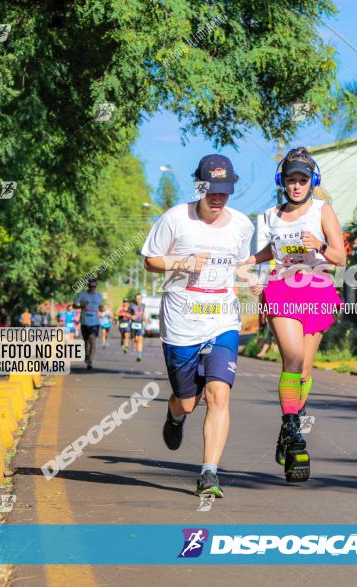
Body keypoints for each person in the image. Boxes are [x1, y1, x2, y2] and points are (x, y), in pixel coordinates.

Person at [141, 153, 253, 497]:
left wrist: (250, 277)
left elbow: (237, 265)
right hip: (181, 322)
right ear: (200, 187)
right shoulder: (175, 219)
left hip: (221, 319)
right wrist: (183, 262)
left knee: (219, 394)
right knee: (188, 401)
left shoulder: (242, 225)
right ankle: (175, 416)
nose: (217, 197)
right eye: (211, 190)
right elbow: (150, 260)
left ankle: (208, 473)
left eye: (225, 190)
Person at [243, 147, 345, 483]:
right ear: (282, 181)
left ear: (312, 181)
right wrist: (247, 263)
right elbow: (268, 252)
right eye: (291, 179)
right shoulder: (270, 215)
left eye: (302, 179)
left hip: (317, 288)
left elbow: (340, 257)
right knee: (293, 358)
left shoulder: (321, 210)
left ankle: (287, 433)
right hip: (282, 288)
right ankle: (293, 428)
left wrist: (318, 244)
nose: (297, 185)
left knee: (303, 370)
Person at [74, 279, 104, 369]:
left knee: (92, 339)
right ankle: (86, 355)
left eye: (94, 286)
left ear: (96, 286)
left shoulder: (99, 295)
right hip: (84, 321)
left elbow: (101, 307)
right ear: (88, 286)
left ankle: (90, 360)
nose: (92, 288)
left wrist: (102, 309)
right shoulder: (82, 295)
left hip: (95, 322)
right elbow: (74, 305)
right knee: (86, 340)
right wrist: (81, 306)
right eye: (90, 286)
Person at [129, 293, 146, 362]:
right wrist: (131, 317)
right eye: (137, 299)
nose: (138, 300)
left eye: (140, 299)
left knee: (140, 340)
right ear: (135, 299)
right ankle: (134, 341)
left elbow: (143, 313)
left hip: (140, 324)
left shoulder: (143, 305)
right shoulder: (132, 306)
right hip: (133, 324)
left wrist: (144, 317)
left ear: (141, 299)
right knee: (134, 340)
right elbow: (127, 313)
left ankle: (139, 356)